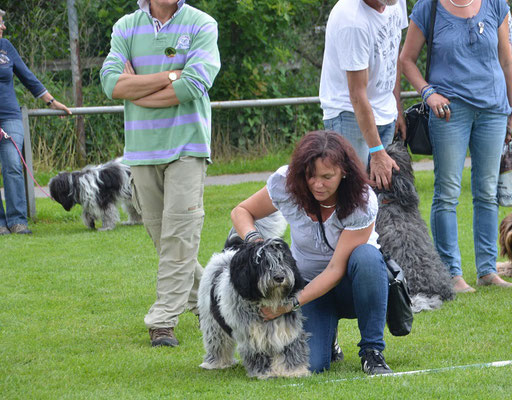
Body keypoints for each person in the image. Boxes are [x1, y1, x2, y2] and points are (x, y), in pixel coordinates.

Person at [100, 0, 220, 347]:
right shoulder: (125, 26)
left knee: (179, 236)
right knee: (166, 239)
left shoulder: (201, 24)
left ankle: (162, 320)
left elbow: (194, 85)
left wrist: (136, 87)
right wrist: (170, 75)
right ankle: (214, 301)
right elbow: (111, 84)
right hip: (141, 150)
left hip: (187, 147)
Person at [230, 130, 392, 375]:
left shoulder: (362, 200)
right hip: (309, 285)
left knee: (367, 257)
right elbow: (241, 211)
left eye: (327, 176)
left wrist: (289, 305)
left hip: (353, 286)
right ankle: (329, 340)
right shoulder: (285, 183)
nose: (318, 184)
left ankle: (372, 351)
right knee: (314, 365)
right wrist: (255, 241)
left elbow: (336, 269)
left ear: (344, 172)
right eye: (311, 176)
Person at [399, 0, 512, 293]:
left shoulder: (495, 4)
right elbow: (406, 60)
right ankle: (451, 274)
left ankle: (488, 271)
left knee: (487, 192)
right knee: (447, 192)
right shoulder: (429, 7)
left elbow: (507, 60)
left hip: (493, 110)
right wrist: (428, 93)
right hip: (449, 111)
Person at [319, 0, 408, 190]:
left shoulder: (395, 2)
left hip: (385, 112)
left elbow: (392, 52)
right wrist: (377, 151)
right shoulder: (352, 21)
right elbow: (357, 94)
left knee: (378, 196)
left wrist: (397, 108)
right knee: (353, 196)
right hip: (349, 115)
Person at [0, 9, 71, 236]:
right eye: (0, 22)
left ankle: (18, 221)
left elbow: (27, 76)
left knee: (12, 165)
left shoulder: (6, 46)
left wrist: (52, 102)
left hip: (10, 116)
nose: (3, 27)